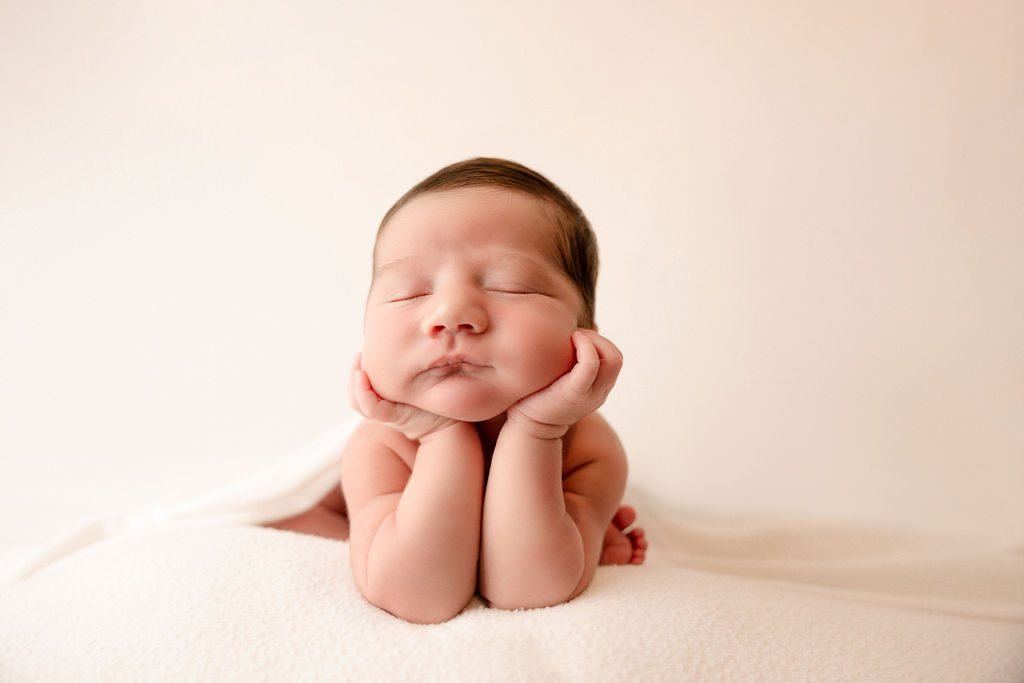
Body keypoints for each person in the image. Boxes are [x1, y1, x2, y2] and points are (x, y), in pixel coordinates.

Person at [271, 158, 645, 624]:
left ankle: (586, 526)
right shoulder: (383, 441)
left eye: (512, 286)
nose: (451, 314)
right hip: (337, 500)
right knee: (299, 517)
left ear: (583, 332)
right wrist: (436, 435)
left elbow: (526, 589)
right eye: (409, 293)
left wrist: (537, 431)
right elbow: (416, 594)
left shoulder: (588, 448)